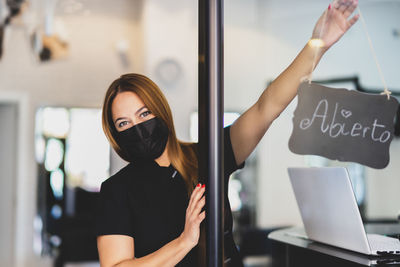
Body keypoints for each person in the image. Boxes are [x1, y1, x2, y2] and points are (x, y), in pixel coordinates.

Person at [95, 1, 359, 266]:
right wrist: (184, 241)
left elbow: (267, 107)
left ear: (161, 111)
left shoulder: (209, 155)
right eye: (123, 123)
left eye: (144, 114)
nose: (137, 128)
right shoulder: (116, 191)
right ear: (115, 134)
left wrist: (318, 45)